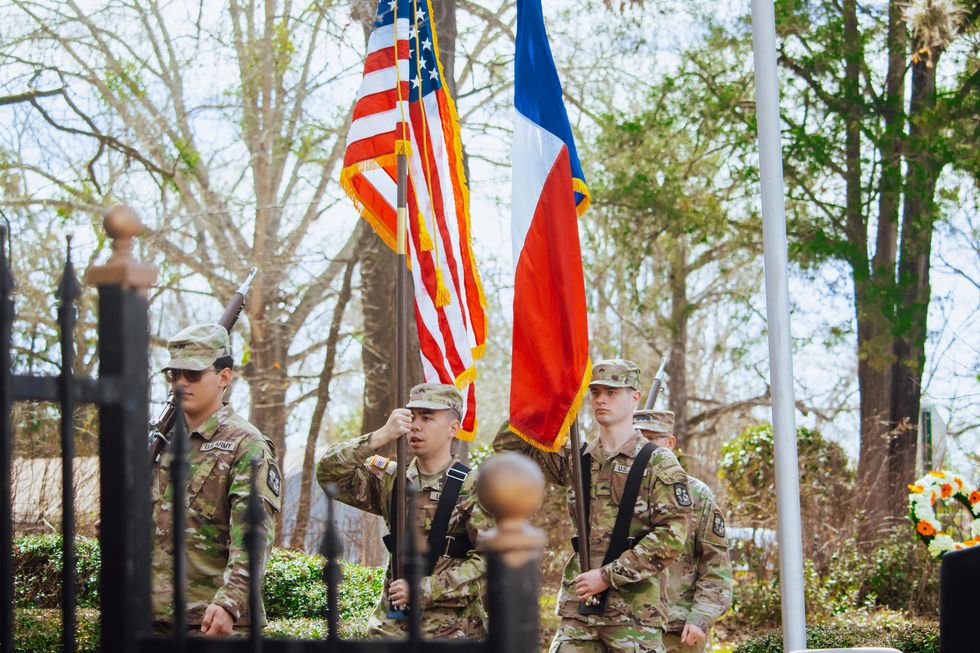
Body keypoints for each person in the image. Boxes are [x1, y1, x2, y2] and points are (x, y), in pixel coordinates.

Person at [494, 359, 692, 653]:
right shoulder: (578, 458)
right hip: (580, 610)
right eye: (595, 391)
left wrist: (606, 576)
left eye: (612, 392)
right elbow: (510, 448)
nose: (601, 399)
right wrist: (543, 399)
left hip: (635, 613)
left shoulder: (658, 462)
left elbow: (673, 534)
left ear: (634, 397)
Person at [316, 383, 491, 639]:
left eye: (427, 418)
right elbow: (328, 473)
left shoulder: (476, 487)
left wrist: (425, 589)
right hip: (391, 630)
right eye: (412, 417)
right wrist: (379, 437)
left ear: (453, 428)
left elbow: (490, 563)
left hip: (454, 632)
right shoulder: (391, 479)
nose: (415, 426)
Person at [151, 323, 281, 637]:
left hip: (212, 623)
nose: (181, 383)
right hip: (148, 620)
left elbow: (253, 535)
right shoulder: (158, 443)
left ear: (224, 377)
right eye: (174, 374)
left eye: (192, 374)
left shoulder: (246, 444)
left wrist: (230, 603)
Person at [634, 410, 733, 653]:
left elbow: (716, 564)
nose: (644, 448)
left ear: (670, 443)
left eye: (652, 439)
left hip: (677, 630)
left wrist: (701, 616)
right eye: (639, 440)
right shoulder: (618, 492)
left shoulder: (696, 495)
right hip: (625, 627)